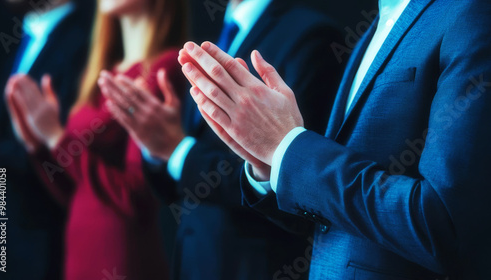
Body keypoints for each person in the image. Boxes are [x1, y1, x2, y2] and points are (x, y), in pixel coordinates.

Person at [179, 0, 491, 279]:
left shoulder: (471, 14)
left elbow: (446, 227)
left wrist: (288, 148)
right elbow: (330, 216)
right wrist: (270, 165)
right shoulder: (376, 26)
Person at [99, 0, 343, 278]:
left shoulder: (312, 34)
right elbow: (180, 182)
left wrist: (178, 151)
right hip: (193, 262)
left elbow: (295, 181)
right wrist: (156, 148)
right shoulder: (222, 33)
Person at [5, 0, 187, 279]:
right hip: (80, 253)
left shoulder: (164, 69)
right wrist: (39, 145)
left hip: (120, 256)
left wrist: (56, 137)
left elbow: (134, 197)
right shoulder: (104, 72)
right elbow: (77, 193)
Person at [0, 0, 92, 279]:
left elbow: (68, 154)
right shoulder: (20, 39)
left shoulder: (87, 42)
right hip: (8, 240)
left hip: (45, 250)